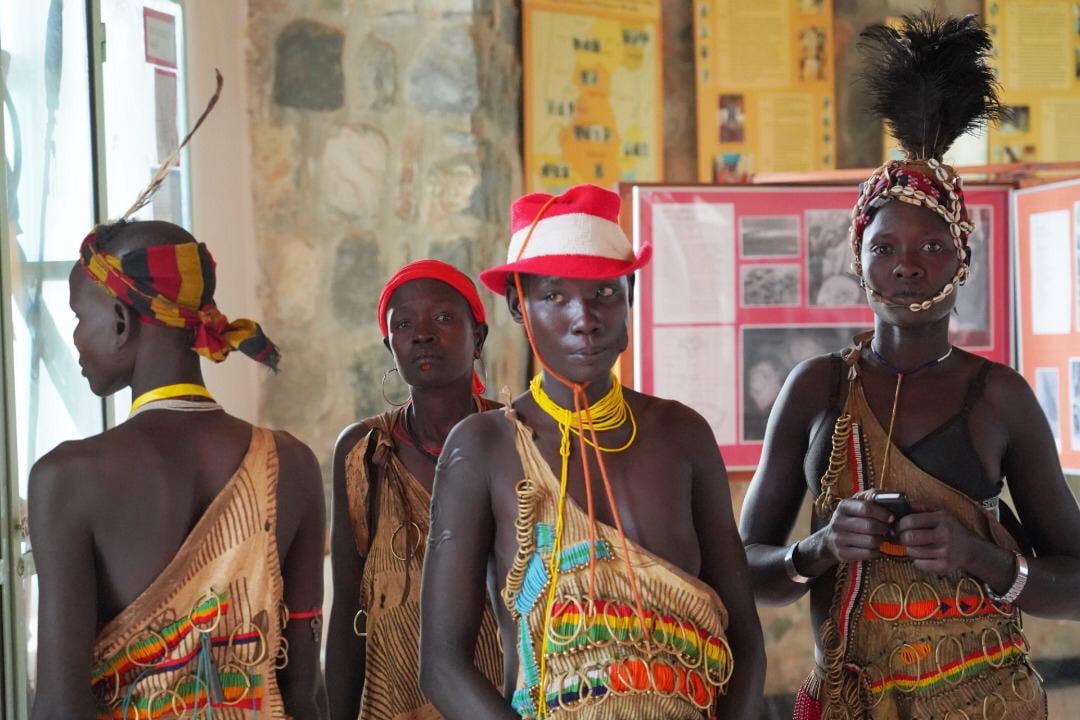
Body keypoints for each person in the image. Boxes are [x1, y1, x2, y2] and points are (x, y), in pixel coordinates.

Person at [739, 14, 1080, 720]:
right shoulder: (818, 389)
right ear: (856, 259)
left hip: (987, 701)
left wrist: (981, 556)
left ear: (964, 260)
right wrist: (818, 549)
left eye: (932, 247)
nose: (906, 267)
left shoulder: (998, 397)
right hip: (849, 700)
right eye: (886, 247)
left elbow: (1077, 584)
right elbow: (746, 566)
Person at [418, 184, 765, 719]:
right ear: (518, 306)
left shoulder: (681, 435)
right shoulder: (485, 448)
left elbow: (744, 640)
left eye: (605, 292)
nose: (585, 317)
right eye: (554, 296)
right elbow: (443, 664)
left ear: (630, 299)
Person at [29, 220, 326, 719]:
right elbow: (303, 692)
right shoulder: (291, 464)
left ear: (122, 322)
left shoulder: (67, 478)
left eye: (79, 317)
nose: (75, 338)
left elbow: (61, 707)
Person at [326, 260, 503, 720]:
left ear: (478, 338)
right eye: (404, 324)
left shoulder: (515, 438)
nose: (422, 334)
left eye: (443, 318)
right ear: (391, 346)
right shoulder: (365, 453)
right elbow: (348, 611)